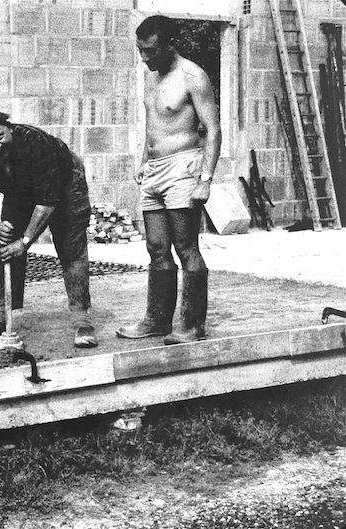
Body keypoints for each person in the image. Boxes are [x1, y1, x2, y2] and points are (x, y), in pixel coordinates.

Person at [117, 15, 221, 344]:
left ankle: (192, 325)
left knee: (185, 247)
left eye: (150, 51)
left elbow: (214, 130)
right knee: (156, 247)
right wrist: (142, 160)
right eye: (140, 51)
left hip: (184, 167)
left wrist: (205, 179)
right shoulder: (151, 76)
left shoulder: (193, 76)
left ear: (168, 45)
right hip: (155, 169)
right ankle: (157, 320)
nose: (144, 58)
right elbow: (152, 123)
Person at [0, 111, 97, 348]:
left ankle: (82, 320)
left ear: (10, 129)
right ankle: (1, 316)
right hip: (19, 191)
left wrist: (24, 242)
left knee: (71, 250)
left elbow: (47, 201)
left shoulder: (35, 143)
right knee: (5, 251)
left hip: (66, 186)